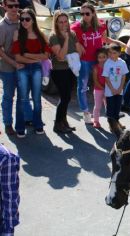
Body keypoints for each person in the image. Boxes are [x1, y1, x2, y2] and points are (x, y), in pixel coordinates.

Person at [70, 2, 126, 124]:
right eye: (82, 14)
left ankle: (110, 110)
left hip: (100, 59)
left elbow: (104, 39)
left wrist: (118, 42)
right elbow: (69, 35)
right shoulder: (77, 27)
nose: (84, 16)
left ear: (93, 13)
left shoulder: (100, 24)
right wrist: (78, 44)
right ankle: (86, 112)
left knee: (105, 82)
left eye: (87, 13)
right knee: (83, 86)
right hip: (85, 60)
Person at [12, 8, 51, 138]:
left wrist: (28, 55)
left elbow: (46, 56)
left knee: (36, 99)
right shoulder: (17, 34)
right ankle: (20, 127)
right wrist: (36, 57)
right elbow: (18, 58)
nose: (24, 21)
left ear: (33, 20)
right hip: (23, 69)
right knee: (22, 99)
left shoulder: (41, 36)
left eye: (27, 19)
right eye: (22, 19)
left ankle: (38, 124)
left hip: (36, 69)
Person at [0, 0, 32, 136]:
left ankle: (26, 118)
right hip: (8, 68)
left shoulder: (24, 20)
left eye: (16, 5)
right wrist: (14, 64)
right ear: (4, 6)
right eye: (11, 6)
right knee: (8, 96)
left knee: (24, 95)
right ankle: (8, 123)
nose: (14, 8)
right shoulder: (2, 26)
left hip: (24, 66)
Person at [49, 10, 81, 133]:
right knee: (64, 97)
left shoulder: (72, 33)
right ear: (56, 23)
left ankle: (63, 121)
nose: (63, 24)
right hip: (59, 71)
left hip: (71, 70)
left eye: (65, 21)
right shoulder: (54, 36)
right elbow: (61, 56)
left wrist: (72, 56)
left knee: (67, 97)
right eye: (60, 22)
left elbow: (79, 51)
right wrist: (66, 39)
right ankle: (58, 124)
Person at [102, 44, 129, 131]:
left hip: (119, 90)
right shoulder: (107, 63)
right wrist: (112, 89)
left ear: (119, 53)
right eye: (109, 52)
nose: (110, 54)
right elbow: (106, 77)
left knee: (117, 107)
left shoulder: (122, 62)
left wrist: (120, 88)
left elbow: (123, 76)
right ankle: (111, 124)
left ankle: (116, 122)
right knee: (110, 108)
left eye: (114, 53)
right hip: (110, 91)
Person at [0, 144, 20, 236]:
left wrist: (8, 229)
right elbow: (10, 196)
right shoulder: (5, 157)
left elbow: (10, 196)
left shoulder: (5, 158)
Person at [92, 48, 108, 129]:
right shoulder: (96, 68)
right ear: (97, 58)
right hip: (98, 90)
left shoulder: (109, 66)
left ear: (107, 57)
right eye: (99, 57)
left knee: (108, 106)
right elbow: (95, 81)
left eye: (103, 57)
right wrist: (103, 88)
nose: (102, 59)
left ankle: (111, 121)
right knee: (97, 106)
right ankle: (96, 121)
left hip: (108, 89)